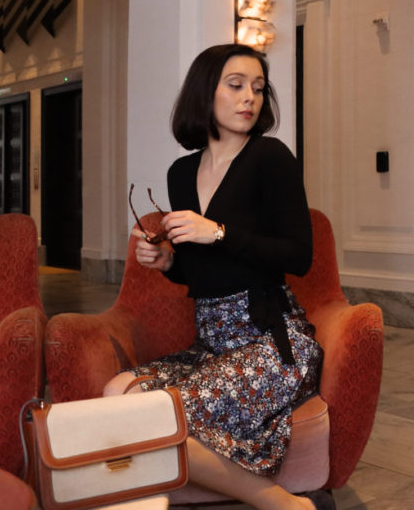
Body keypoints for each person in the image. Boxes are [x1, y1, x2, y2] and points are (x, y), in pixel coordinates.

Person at [105, 44, 328, 510]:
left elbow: (300, 255)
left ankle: (287, 506)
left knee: (158, 419)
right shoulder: (181, 172)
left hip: (272, 342)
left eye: (259, 88)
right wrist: (168, 263)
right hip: (211, 346)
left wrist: (219, 231)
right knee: (115, 393)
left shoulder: (270, 157)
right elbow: (202, 271)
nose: (250, 97)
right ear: (206, 92)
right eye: (236, 85)